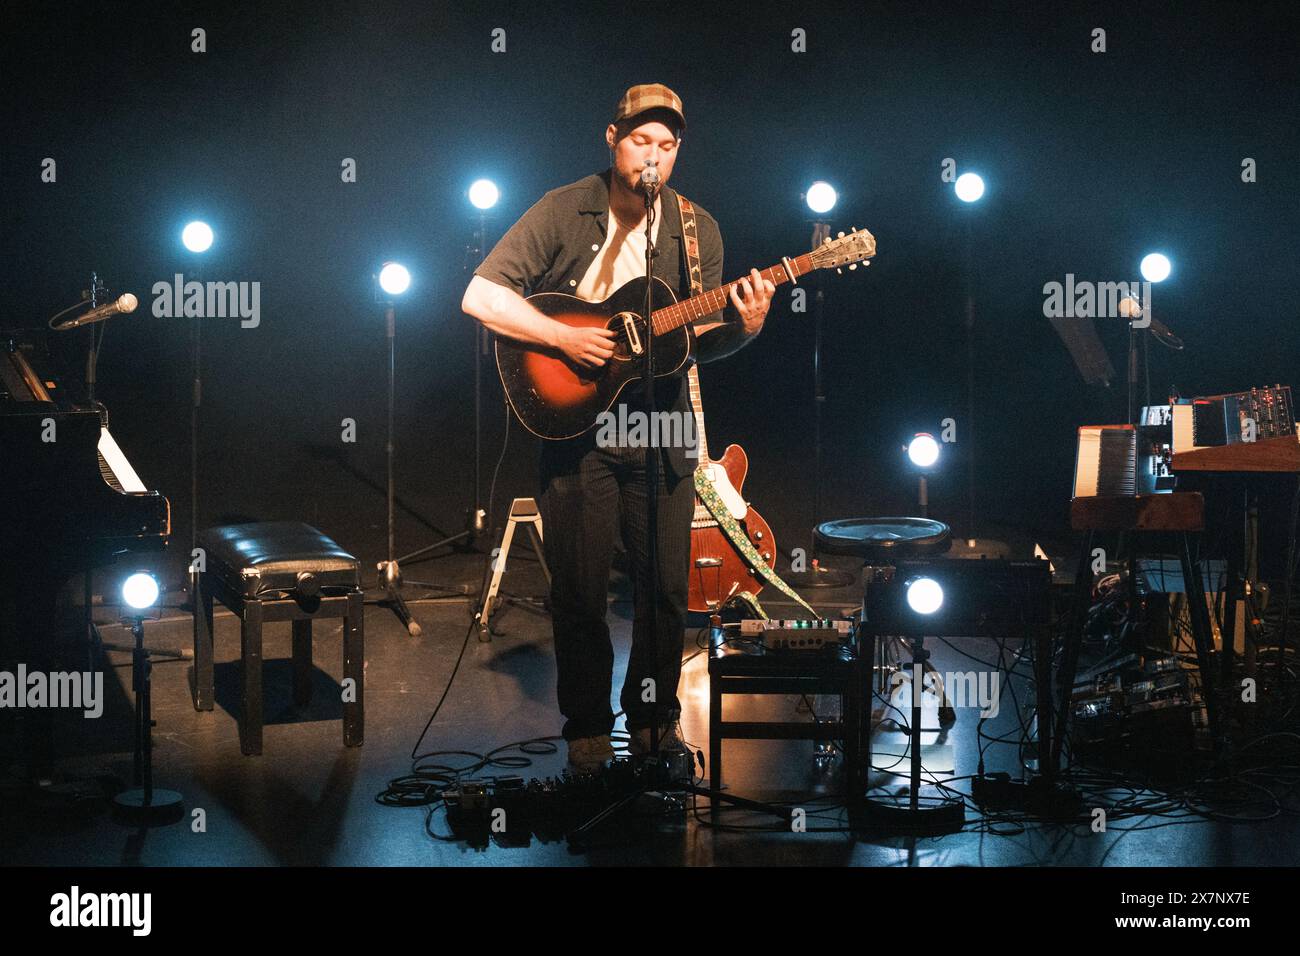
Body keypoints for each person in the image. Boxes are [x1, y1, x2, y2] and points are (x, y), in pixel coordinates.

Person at [461, 83, 773, 772]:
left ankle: (655, 722)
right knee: (578, 587)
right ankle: (587, 731)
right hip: (580, 433)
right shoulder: (563, 209)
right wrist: (562, 339)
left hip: (664, 430)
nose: (653, 155)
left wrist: (745, 327)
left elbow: (695, 342)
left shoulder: (698, 229)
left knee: (664, 589)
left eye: (667, 144)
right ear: (613, 138)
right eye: (641, 140)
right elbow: (479, 295)